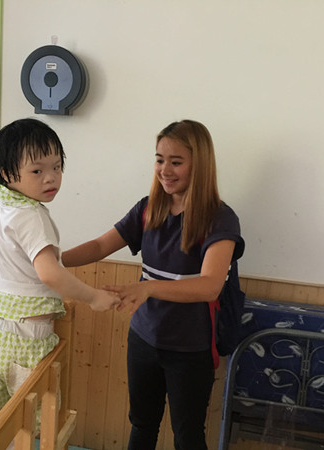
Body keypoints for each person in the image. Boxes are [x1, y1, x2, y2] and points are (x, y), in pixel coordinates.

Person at [62, 119, 245, 450]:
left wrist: (147, 288)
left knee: (188, 436)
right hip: (144, 339)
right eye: (160, 160)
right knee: (142, 424)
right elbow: (100, 246)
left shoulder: (220, 218)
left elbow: (210, 286)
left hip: (190, 349)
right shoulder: (148, 209)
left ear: (200, 164)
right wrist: (52, 261)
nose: (165, 170)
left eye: (176, 162)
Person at [0, 118, 120, 449]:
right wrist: (93, 297)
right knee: (31, 426)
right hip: (26, 342)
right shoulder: (33, 215)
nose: (51, 177)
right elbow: (50, 274)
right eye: (37, 170)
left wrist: (7, 254)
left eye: (57, 167)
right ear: (7, 173)